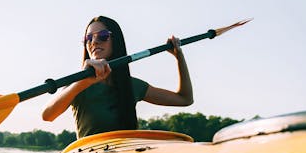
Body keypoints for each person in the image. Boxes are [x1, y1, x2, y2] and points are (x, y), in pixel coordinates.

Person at [42, 15, 194, 138]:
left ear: (116, 42)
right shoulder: (77, 84)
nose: (94, 42)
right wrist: (82, 82)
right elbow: (48, 115)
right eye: (88, 38)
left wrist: (179, 56)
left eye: (102, 36)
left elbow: (185, 99)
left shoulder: (133, 85)